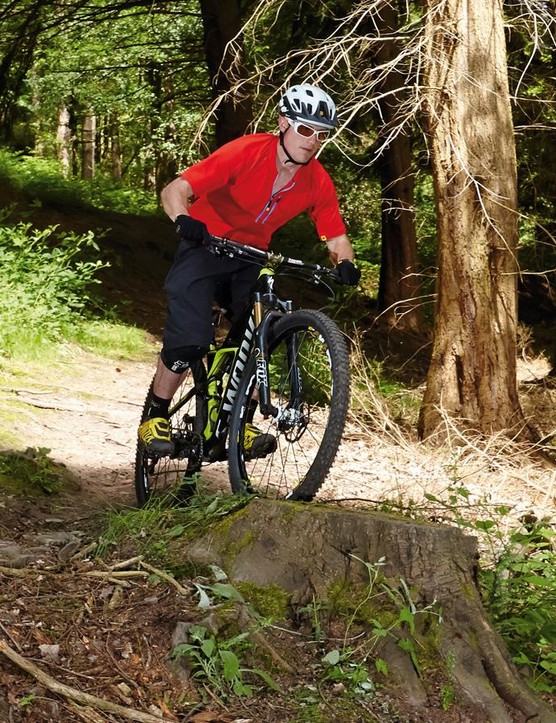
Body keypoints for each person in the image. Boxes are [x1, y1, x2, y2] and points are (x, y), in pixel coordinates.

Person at [138, 83, 360, 457]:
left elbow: (335, 237)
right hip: (206, 245)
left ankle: (242, 421)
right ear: (283, 123)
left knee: (263, 329)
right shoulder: (246, 152)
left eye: (321, 134)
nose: (312, 141)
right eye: (305, 129)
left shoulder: (317, 179)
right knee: (190, 336)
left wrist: (347, 264)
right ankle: (156, 414)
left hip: (252, 255)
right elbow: (175, 190)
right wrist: (184, 220)